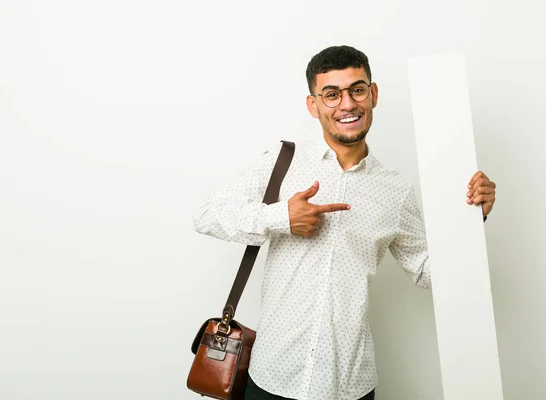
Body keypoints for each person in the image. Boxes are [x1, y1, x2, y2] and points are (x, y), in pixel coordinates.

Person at [193, 45, 497, 400]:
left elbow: (428, 273)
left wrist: (470, 220)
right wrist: (282, 217)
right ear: (313, 105)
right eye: (332, 94)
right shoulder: (283, 160)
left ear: (373, 94)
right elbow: (208, 214)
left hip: (348, 385)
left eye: (357, 89)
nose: (347, 104)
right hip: (273, 377)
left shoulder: (395, 189)